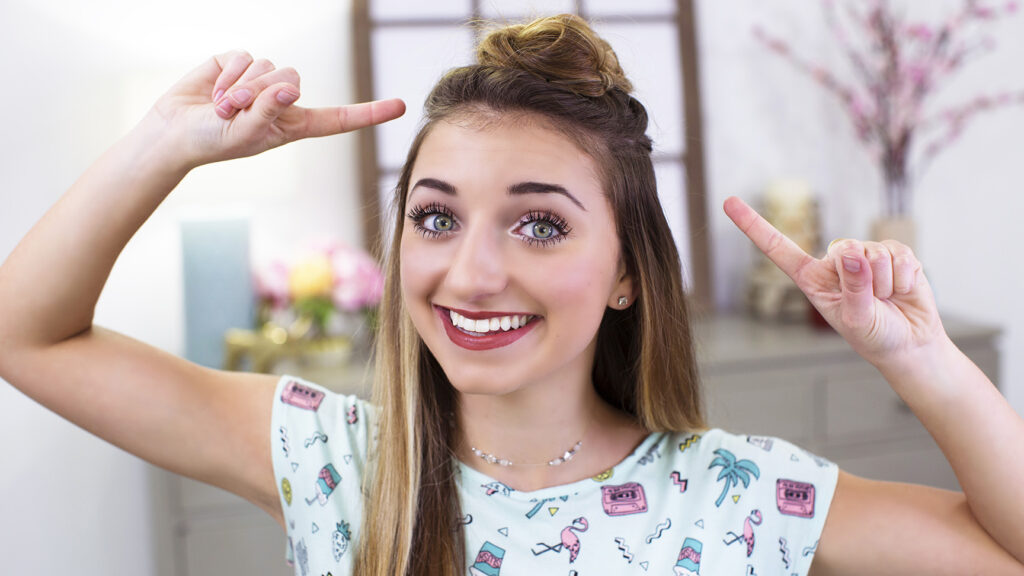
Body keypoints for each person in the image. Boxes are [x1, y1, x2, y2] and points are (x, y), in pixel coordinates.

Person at [0, 12, 1021, 576]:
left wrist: (919, 361)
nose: (472, 273)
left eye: (539, 223)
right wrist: (164, 146)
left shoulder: (741, 498)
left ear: (627, 270)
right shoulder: (333, 461)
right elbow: (28, 337)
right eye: (436, 217)